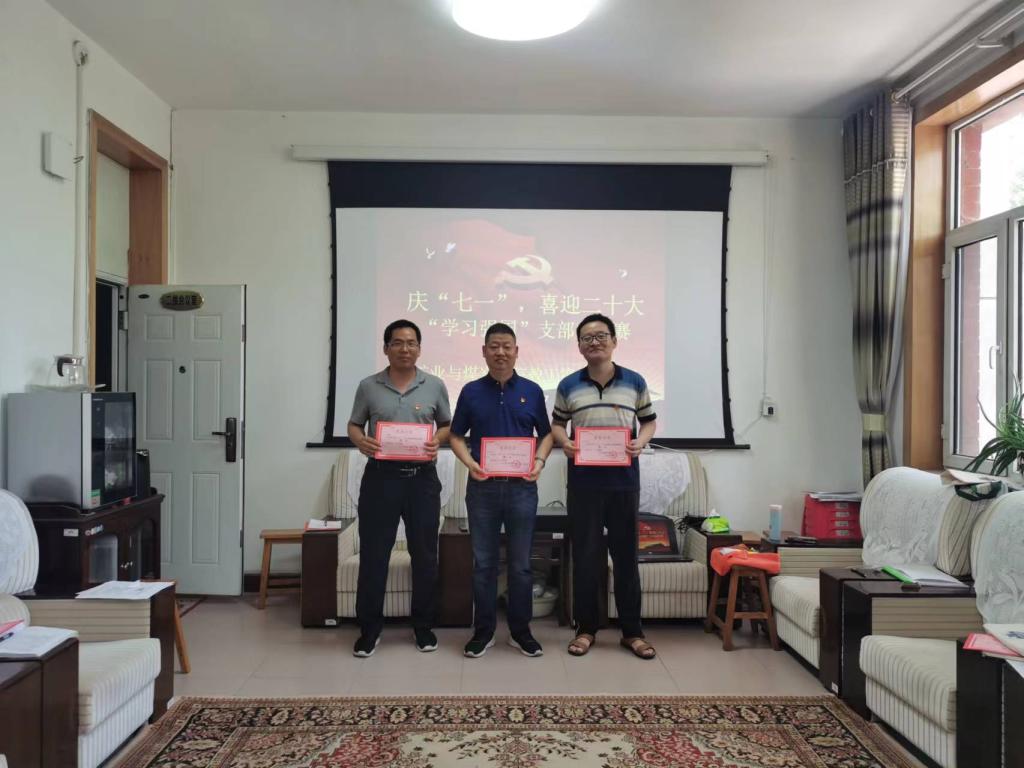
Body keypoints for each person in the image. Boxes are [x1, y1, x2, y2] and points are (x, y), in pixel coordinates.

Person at [551, 313, 658, 660]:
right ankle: (586, 629)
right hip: (583, 484)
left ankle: (633, 632)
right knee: (586, 557)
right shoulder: (568, 385)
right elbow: (557, 424)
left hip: (623, 483)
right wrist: (564, 443)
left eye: (601, 336)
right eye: (587, 338)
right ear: (579, 346)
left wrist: (641, 441)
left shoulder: (635, 381)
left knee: (626, 558)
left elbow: (649, 421)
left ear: (614, 341)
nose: (594, 342)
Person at [347, 319, 451, 657]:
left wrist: (437, 440)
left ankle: (423, 627)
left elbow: (446, 425)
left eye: (411, 343)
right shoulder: (368, 386)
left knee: (425, 554)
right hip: (381, 479)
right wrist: (360, 441)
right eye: (397, 342)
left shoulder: (434, 385)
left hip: (422, 480)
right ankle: (369, 629)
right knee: (374, 554)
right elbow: (353, 425)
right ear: (386, 348)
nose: (405, 349)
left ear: (419, 349)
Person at [450, 323, 554, 658]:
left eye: (507, 346)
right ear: (484, 351)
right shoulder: (470, 391)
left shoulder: (533, 391)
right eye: (494, 346)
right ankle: (484, 632)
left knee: (521, 565)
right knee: (484, 564)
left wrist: (539, 461)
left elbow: (547, 434)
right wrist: (470, 463)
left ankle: (521, 632)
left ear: (516, 351)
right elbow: (455, 436)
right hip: (483, 489)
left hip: (522, 489)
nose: (500, 352)